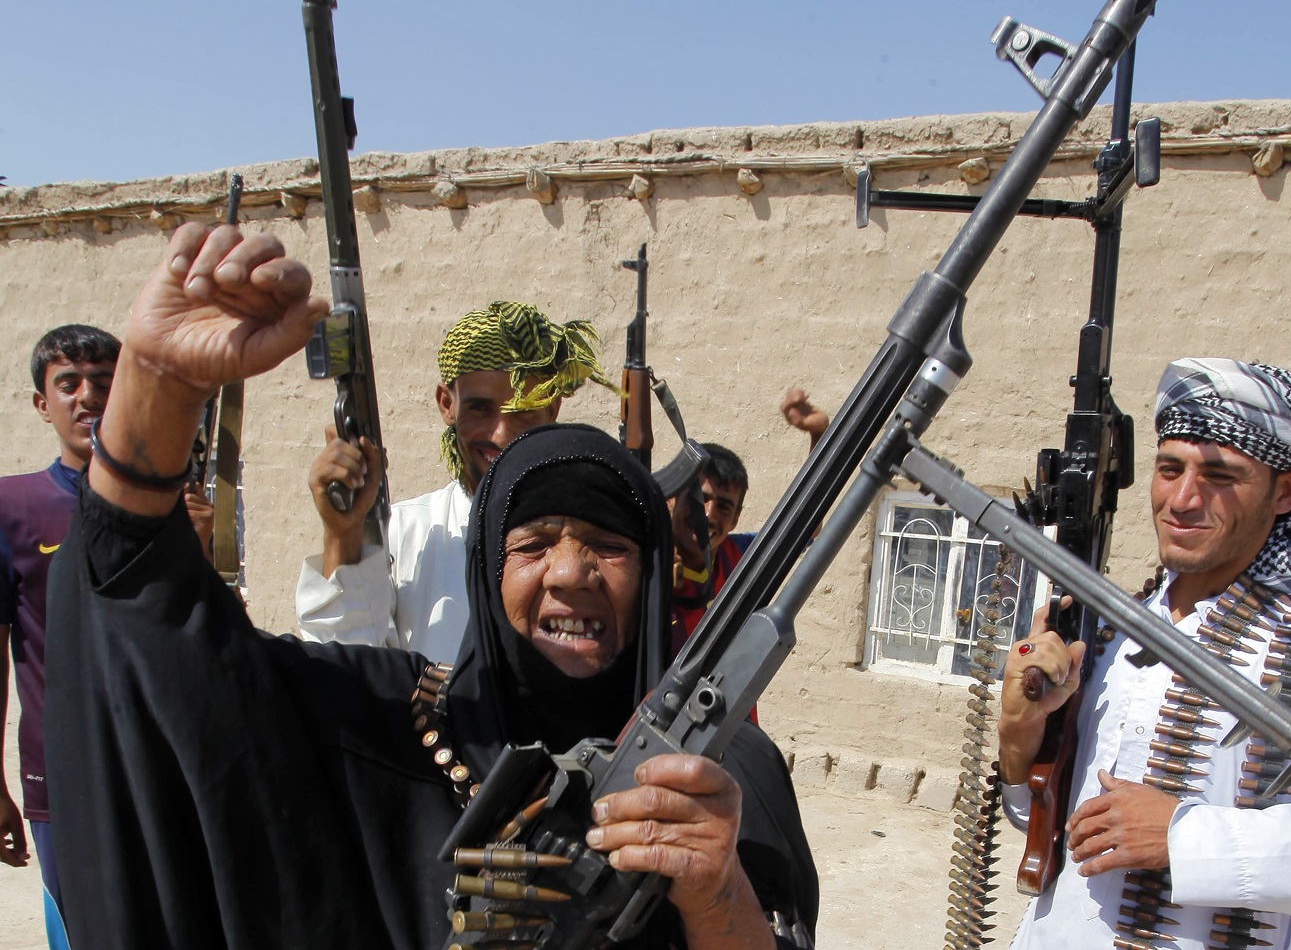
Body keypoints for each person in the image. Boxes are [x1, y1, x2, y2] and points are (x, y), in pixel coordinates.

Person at [45, 223, 817, 950]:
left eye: (610, 547)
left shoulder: (725, 770)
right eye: (534, 543)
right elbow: (167, 650)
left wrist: (715, 890)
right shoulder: (396, 724)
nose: (571, 572)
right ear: (489, 567)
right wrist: (158, 387)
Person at [997, 357, 1291, 949]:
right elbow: (1041, 822)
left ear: (1286, 489)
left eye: (1220, 475)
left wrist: (1185, 837)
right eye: (1169, 468)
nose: (1183, 499)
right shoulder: (1105, 629)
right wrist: (1020, 735)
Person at [295, 301, 614, 661]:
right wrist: (342, 534)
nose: (502, 433)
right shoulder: (406, 534)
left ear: (552, 409)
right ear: (447, 404)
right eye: (481, 409)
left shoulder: (592, 535)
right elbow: (346, 669)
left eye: (521, 411)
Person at [0, 325, 117, 948]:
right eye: (68, 384)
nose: (88, 396)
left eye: (103, 382)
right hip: (60, 770)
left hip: (157, 758)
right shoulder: (12, 507)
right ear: (43, 404)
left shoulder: (174, 501)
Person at [669, 392, 828, 652]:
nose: (708, 515)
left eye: (723, 507)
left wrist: (820, 437)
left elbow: (806, 527)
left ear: (735, 519)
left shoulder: (738, 558)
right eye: (699, 499)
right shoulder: (637, 559)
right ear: (671, 499)